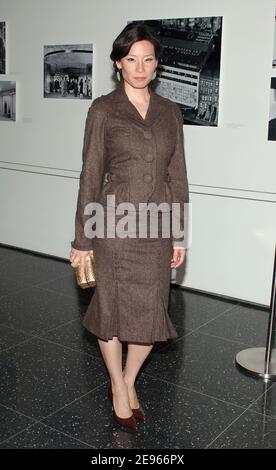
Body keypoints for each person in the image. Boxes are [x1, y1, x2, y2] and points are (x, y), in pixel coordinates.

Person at [70, 22, 189, 432]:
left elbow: (177, 177)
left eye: (148, 59)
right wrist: (82, 240)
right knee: (112, 313)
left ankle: (129, 379)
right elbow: (89, 175)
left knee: (150, 316)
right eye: (131, 59)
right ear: (119, 64)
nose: (140, 67)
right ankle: (119, 387)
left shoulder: (170, 112)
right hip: (112, 228)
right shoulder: (103, 109)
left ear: (157, 65)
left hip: (156, 229)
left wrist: (179, 233)